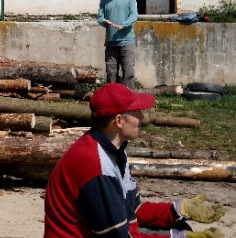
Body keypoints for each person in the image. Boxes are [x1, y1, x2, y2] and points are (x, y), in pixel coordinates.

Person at [44, 83, 225, 238]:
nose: (142, 117)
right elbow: (118, 234)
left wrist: (176, 210)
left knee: (179, 226)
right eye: (136, 112)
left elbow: (133, 210)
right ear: (119, 121)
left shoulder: (113, 151)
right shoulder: (96, 165)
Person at [97, 0, 138, 89]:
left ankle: (129, 98)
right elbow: (100, 17)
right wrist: (105, 22)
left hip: (127, 41)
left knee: (128, 72)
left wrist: (123, 25)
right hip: (111, 41)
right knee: (111, 74)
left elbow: (134, 15)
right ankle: (111, 99)